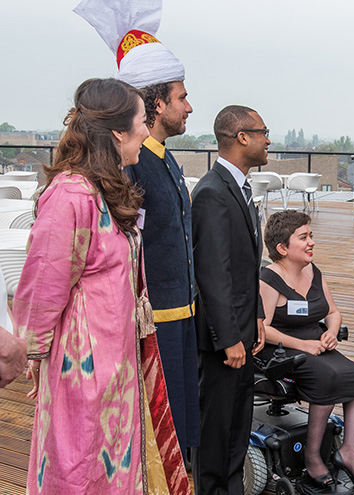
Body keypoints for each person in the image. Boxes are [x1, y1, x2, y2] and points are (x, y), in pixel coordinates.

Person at [13, 77, 188, 494]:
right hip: (82, 371)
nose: (147, 131)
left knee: (114, 468)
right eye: (142, 122)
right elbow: (41, 288)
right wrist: (31, 355)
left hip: (119, 365)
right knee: (79, 466)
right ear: (116, 133)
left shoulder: (103, 189)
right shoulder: (71, 196)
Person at [77, 0, 201, 454]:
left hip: (181, 312)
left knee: (185, 431)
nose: (190, 106)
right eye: (182, 96)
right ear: (155, 102)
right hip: (152, 322)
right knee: (158, 435)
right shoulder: (128, 165)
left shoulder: (163, 158)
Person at [259, 210, 354, 489]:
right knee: (326, 376)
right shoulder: (269, 279)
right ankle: (312, 457)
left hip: (316, 341)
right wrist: (303, 345)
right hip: (282, 348)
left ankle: (348, 450)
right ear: (282, 248)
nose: (311, 242)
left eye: (310, 235)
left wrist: (331, 333)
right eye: (303, 237)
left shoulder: (312, 271)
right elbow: (263, 329)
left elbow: (333, 312)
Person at [191, 105, 268, 494]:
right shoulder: (211, 192)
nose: (268, 139)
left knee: (238, 430)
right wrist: (228, 337)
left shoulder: (239, 188)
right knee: (217, 434)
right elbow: (212, 273)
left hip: (243, 330)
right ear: (242, 137)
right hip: (223, 342)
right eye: (263, 131)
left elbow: (244, 268)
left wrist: (255, 318)